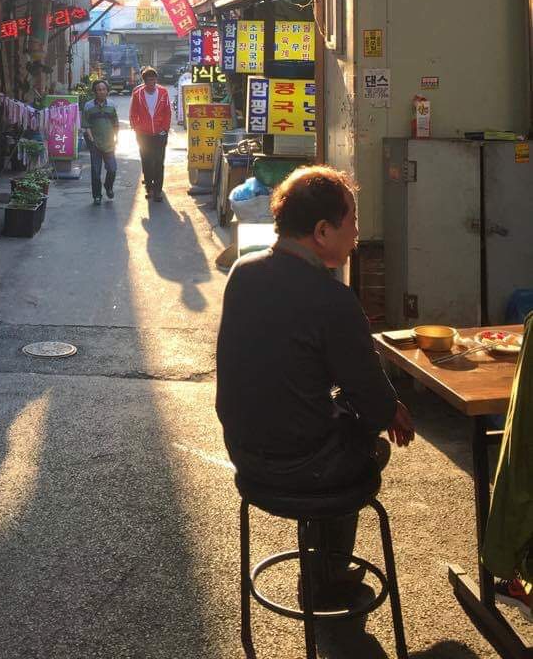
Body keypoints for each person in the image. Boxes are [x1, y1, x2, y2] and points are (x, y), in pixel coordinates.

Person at [216, 165, 415, 608]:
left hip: (244, 452)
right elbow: (365, 386)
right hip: (299, 466)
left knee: (337, 419)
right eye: (353, 223)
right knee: (368, 446)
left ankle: (320, 567)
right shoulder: (332, 299)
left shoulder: (243, 272)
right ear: (323, 231)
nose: (358, 234)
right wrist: (391, 411)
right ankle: (324, 580)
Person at [129, 66, 172, 201]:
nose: (152, 83)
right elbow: (133, 113)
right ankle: (149, 187)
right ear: (144, 81)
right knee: (147, 161)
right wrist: (137, 128)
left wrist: (164, 128)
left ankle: (158, 190)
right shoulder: (138, 94)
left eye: (154, 80)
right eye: (149, 80)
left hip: (160, 133)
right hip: (143, 134)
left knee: (159, 161)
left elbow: (167, 112)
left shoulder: (163, 92)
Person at [81, 79, 119, 205]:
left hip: (109, 143)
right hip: (95, 144)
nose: (101, 92)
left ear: (107, 91)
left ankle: (108, 187)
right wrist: (91, 140)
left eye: (103, 89)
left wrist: (116, 137)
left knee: (112, 169)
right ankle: (97, 196)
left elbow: (115, 124)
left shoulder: (112, 105)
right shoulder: (88, 106)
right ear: (94, 92)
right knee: (96, 172)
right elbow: (86, 125)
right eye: (98, 89)